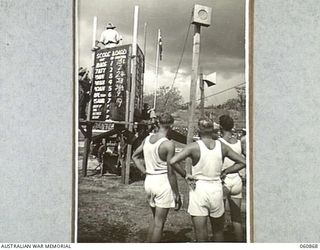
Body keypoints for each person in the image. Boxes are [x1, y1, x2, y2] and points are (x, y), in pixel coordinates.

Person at [169, 118, 246, 242]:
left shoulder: (194, 147)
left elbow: (173, 161)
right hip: (216, 187)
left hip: (199, 188)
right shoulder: (222, 146)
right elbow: (242, 162)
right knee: (218, 232)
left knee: (201, 233)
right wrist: (227, 171)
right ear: (213, 130)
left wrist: (185, 174)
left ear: (199, 130)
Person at [132, 113, 181, 242]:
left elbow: (135, 157)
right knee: (160, 224)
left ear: (158, 123)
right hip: (162, 183)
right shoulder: (168, 144)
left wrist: (145, 171)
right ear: (171, 125)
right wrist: (176, 194)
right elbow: (171, 173)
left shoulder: (147, 139)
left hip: (149, 181)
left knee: (155, 220)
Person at [218, 115, 246, 241]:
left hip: (224, 179)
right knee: (237, 217)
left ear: (220, 127)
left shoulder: (219, 143)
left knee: (219, 217)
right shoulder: (239, 142)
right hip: (236, 179)